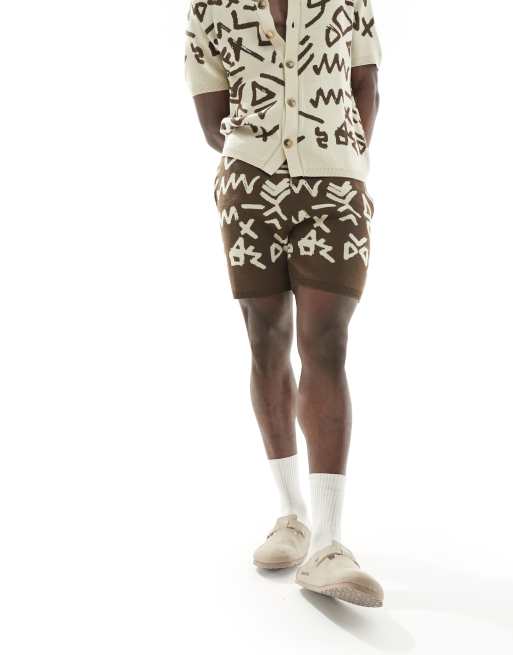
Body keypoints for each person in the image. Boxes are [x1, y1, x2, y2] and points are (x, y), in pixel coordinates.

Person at [184, 0, 383, 607]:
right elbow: (211, 119)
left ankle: (328, 541)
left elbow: (366, 85)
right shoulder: (210, 7)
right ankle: (291, 514)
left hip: (334, 188)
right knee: (265, 339)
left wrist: (339, 161)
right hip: (248, 189)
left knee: (327, 342)